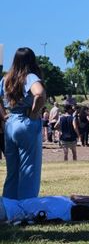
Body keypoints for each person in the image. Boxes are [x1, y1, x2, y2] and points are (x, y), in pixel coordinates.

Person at [0, 47, 46, 200]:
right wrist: (33, 114)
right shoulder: (30, 77)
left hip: (10, 124)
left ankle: (8, 205)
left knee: (12, 170)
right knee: (28, 168)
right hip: (25, 123)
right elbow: (39, 93)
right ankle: (26, 205)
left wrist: (4, 115)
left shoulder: (6, 79)